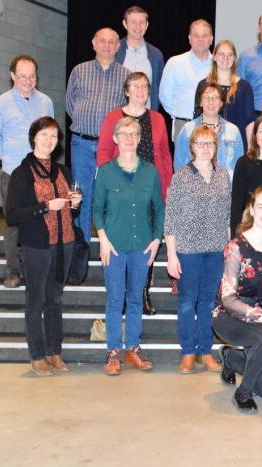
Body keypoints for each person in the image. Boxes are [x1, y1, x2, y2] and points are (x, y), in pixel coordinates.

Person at [5, 117, 81, 376]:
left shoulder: (63, 171)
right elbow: (12, 215)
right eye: (44, 135)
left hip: (64, 244)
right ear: (34, 137)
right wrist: (45, 207)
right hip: (36, 245)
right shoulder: (22, 173)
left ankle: (54, 351)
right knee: (35, 301)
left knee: (55, 299)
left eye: (54, 136)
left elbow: (69, 209)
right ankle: (37, 354)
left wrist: (74, 203)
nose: (49, 140)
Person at [97, 71, 173, 315]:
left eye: (144, 86)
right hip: (120, 191)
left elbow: (164, 154)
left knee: (147, 243)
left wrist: (167, 185)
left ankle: (142, 293)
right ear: (126, 90)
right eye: (135, 86)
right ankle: (120, 296)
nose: (140, 90)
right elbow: (103, 153)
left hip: (148, 191)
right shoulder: (113, 117)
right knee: (121, 243)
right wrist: (109, 183)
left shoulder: (158, 119)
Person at [92, 117, 164, 375]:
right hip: (113, 245)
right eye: (124, 133)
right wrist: (102, 238)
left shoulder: (150, 172)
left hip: (142, 245)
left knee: (135, 298)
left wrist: (156, 239)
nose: (129, 138)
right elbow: (96, 209)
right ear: (115, 138)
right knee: (115, 298)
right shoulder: (105, 172)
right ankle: (113, 352)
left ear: (140, 138)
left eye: (134, 133)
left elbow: (159, 209)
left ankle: (132, 348)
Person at [212, 186, 262, 413]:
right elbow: (227, 299)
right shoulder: (236, 247)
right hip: (230, 315)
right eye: (261, 207)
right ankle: (243, 393)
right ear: (251, 210)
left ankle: (230, 358)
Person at [165, 126, 230, 374]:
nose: (205, 148)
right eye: (200, 143)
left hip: (215, 249)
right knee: (186, 302)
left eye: (210, 143)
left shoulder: (223, 176)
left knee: (208, 303)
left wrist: (228, 249)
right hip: (188, 249)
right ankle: (187, 352)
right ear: (192, 147)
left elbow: (227, 216)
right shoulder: (181, 176)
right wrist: (171, 255)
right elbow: (170, 219)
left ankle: (205, 351)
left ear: (215, 147)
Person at [0, 55, 54, 288]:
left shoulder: (46, 102)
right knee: (13, 224)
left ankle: (35, 269)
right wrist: (11, 161)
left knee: (41, 221)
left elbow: (50, 134)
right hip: (13, 173)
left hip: (41, 173)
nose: (28, 81)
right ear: (12, 76)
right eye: (23, 76)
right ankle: (13, 271)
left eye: (32, 76)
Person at [66, 27, 130, 242]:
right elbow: (70, 105)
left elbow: (127, 111)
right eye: (102, 41)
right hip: (82, 144)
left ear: (118, 46)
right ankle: (81, 248)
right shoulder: (79, 70)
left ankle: (110, 247)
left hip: (112, 146)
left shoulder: (125, 75)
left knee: (111, 196)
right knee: (81, 196)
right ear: (93, 44)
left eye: (111, 42)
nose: (106, 45)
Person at [173, 83, 244, 179]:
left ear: (221, 103)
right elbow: (179, 166)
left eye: (215, 97)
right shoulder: (187, 130)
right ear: (200, 102)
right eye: (206, 97)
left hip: (226, 186)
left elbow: (239, 169)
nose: (211, 101)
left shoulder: (233, 131)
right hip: (194, 186)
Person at [195, 39, 256, 151]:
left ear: (234, 58)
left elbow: (249, 122)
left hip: (237, 146)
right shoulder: (203, 85)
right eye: (221, 54)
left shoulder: (245, 87)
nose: (225, 58)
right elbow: (198, 119)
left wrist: (250, 149)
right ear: (214, 57)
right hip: (208, 147)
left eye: (230, 55)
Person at [159, 19, 213, 140]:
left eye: (204, 36)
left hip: (211, 126)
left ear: (211, 39)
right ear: (189, 39)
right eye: (196, 36)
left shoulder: (218, 64)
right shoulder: (175, 62)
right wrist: (179, 114)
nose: (200, 39)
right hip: (182, 124)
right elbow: (164, 96)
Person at [115, 5, 164, 111]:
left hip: (146, 114)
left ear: (147, 25)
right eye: (133, 22)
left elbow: (159, 88)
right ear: (125, 24)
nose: (138, 26)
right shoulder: (114, 51)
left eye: (141, 22)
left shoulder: (156, 55)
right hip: (119, 115)